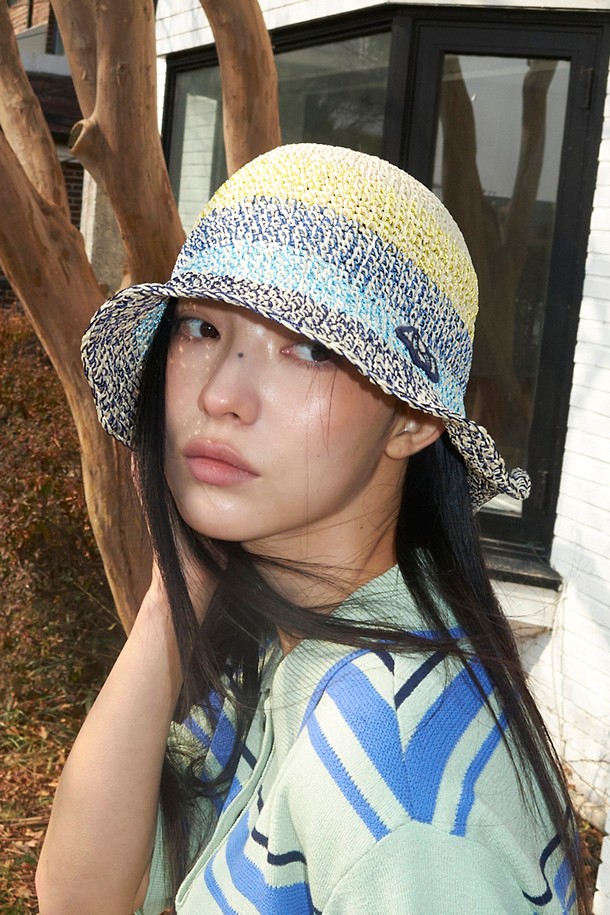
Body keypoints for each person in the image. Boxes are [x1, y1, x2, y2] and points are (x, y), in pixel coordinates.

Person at [36, 143, 586, 914]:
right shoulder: (296, 635)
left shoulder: (396, 788)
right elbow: (84, 894)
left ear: (412, 420)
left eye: (311, 347)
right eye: (200, 328)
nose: (222, 394)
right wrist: (172, 595)